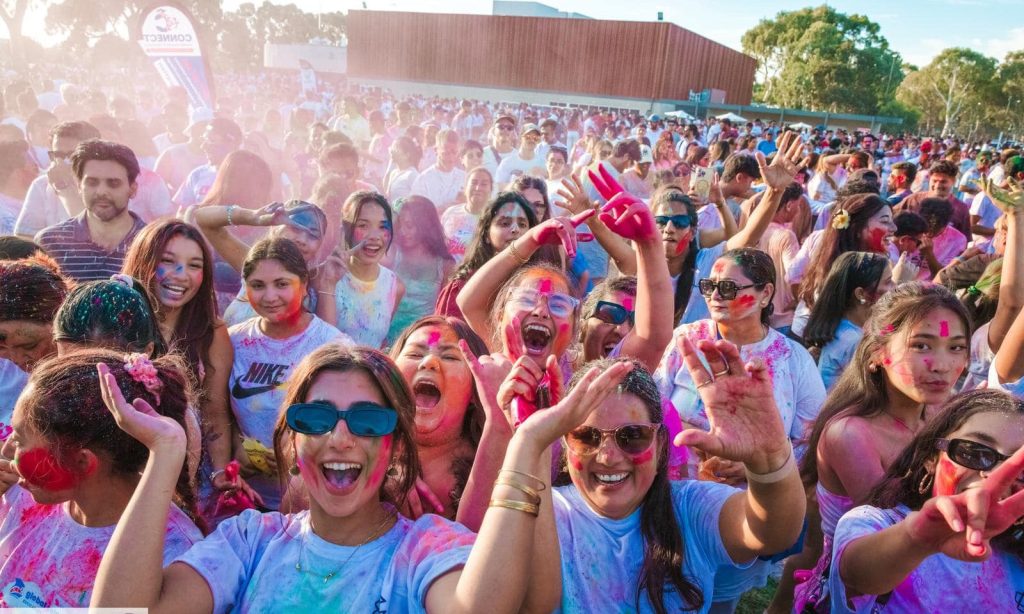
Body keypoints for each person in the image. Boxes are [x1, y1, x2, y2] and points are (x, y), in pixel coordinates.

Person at [90, 344, 559, 612]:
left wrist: (526, 445)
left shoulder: (426, 550)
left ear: (395, 444)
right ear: (292, 442)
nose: (339, 437)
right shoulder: (250, 542)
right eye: (314, 418)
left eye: (368, 421)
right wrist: (164, 456)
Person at [516, 347, 806, 612]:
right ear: (565, 445)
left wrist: (769, 458)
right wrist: (533, 446)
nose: (607, 456)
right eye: (586, 437)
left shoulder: (690, 509)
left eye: (632, 436)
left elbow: (773, 532)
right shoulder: (537, 511)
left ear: (661, 445)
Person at [792, 283, 971, 612]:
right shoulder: (850, 434)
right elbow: (894, 526)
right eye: (921, 345)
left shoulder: (942, 414)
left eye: (956, 347)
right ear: (878, 353)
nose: (942, 365)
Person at [0, 349, 203, 608]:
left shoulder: (174, 555)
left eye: (19, 440)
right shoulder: (22, 497)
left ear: (83, 462)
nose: (6, 450)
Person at [828, 389, 1024, 613]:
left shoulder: (1017, 554)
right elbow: (856, 574)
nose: (995, 473)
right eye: (973, 452)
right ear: (932, 457)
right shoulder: (875, 523)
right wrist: (918, 540)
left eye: (1020, 467)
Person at [227, 238, 351, 510]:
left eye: (282, 284)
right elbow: (217, 409)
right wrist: (236, 447)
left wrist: (299, 455)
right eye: (258, 286)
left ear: (304, 284)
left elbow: (349, 423)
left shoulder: (333, 346)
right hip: (245, 499)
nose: (270, 297)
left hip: (313, 502)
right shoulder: (232, 342)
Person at [658, 131, 806, 325]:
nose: (669, 228)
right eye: (661, 221)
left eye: (679, 223)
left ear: (693, 231)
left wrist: (774, 192)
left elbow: (746, 238)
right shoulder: (641, 265)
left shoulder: (705, 263)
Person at [389, 316, 492, 520]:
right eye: (414, 354)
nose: (429, 362)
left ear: (475, 389)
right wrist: (379, 476)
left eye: (450, 357)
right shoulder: (359, 438)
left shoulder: (498, 460)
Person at [190, 200, 327, 326]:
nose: (302, 240)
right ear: (275, 227)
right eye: (295, 228)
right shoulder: (252, 264)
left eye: (312, 234)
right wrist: (252, 216)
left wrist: (329, 287)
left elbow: (328, 342)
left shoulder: (320, 284)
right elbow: (202, 218)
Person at [34, 139, 147, 282]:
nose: (101, 191)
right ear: (79, 186)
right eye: (92, 182)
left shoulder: (154, 243)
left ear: (132, 189)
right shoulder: (50, 243)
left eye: (113, 183)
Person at [790, 193, 898, 338]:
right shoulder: (844, 267)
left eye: (892, 220)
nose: (894, 228)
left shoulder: (875, 259)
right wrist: (899, 281)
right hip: (815, 344)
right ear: (857, 228)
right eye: (885, 221)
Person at [315, 191, 404, 349]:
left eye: (383, 227)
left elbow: (379, 342)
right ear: (345, 230)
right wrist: (328, 284)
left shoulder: (393, 286)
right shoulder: (318, 277)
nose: (374, 237)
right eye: (363, 225)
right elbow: (323, 345)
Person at [435, 192, 540, 320]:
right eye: (505, 223)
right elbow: (445, 334)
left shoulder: (537, 285)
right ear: (486, 235)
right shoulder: (464, 285)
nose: (515, 229)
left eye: (522, 225)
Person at [803, 252, 893, 391]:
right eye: (888, 282)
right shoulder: (854, 341)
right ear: (861, 294)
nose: (894, 287)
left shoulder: (845, 328)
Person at [385, 196, 455, 344]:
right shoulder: (391, 255)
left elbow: (445, 313)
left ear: (425, 226)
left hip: (421, 341)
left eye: (409, 225)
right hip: (385, 338)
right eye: (400, 225)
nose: (403, 231)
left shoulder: (445, 266)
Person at [173, 117, 243, 207]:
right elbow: (182, 212)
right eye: (204, 140)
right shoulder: (196, 175)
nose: (203, 146)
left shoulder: (248, 176)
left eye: (211, 141)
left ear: (232, 144)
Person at [441, 167, 493, 263]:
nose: (478, 188)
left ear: (491, 190)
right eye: (474, 183)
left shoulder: (494, 219)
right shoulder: (451, 212)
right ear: (465, 188)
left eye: (484, 184)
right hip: (448, 273)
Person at [410, 129, 465, 211]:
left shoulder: (465, 177)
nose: (451, 158)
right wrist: (446, 208)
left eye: (454, 152)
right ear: (436, 150)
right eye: (446, 153)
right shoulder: (423, 180)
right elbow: (416, 213)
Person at [384, 135, 421, 202]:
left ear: (407, 155)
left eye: (396, 148)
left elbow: (418, 201)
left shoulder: (412, 175)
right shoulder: (394, 172)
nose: (391, 151)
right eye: (391, 148)